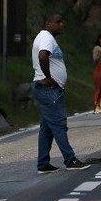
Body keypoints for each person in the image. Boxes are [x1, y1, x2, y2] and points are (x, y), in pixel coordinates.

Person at [31, 13, 91, 174]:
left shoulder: (47, 37)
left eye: (62, 21)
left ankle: (43, 163)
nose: (61, 24)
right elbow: (43, 56)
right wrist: (49, 77)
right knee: (58, 125)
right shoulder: (46, 37)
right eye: (58, 22)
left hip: (46, 89)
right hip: (48, 89)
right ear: (48, 23)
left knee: (47, 128)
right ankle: (70, 160)